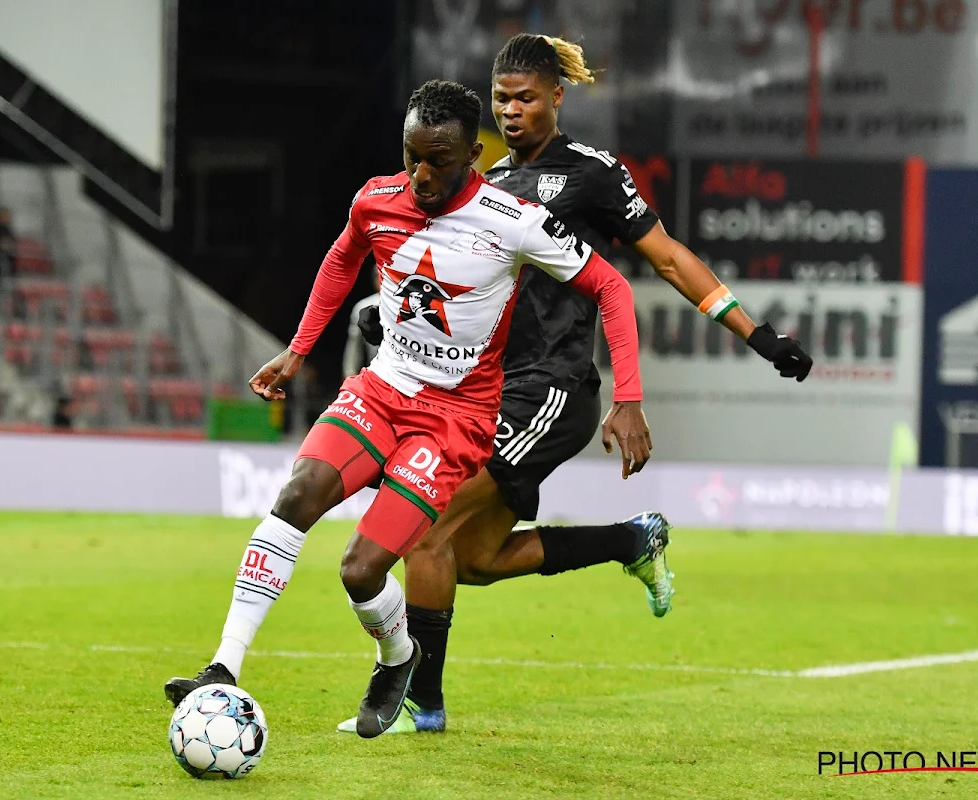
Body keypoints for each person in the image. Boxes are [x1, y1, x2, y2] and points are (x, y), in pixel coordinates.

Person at [336, 34, 815, 734]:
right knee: (472, 558)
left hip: (554, 386)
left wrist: (758, 335)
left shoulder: (590, 173)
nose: (512, 111)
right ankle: (631, 541)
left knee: (423, 529)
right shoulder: (482, 188)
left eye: (526, 98)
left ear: (557, 97)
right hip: (489, 390)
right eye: (501, 99)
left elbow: (670, 261)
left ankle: (422, 705)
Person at [164, 79, 651, 738]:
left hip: (455, 419)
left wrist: (628, 397)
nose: (421, 175)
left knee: (362, 569)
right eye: (411, 156)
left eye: (438, 162)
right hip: (381, 390)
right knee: (297, 496)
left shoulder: (515, 222)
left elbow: (612, 289)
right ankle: (222, 667)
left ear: (471, 159)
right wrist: (298, 351)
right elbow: (341, 261)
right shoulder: (377, 198)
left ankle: (398, 657)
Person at [342, 271, 381, 379]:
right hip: (376, 371)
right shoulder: (364, 306)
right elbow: (354, 345)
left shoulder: (408, 304)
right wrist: (349, 373)